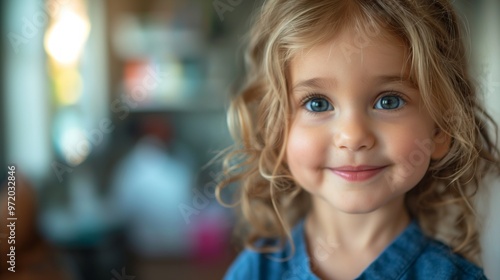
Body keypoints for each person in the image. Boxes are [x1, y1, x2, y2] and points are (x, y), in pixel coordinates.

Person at [216, 0, 500, 279]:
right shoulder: (255, 271)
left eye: (389, 101)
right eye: (317, 104)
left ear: (440, 129)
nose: (353, 137)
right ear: (275, 129)